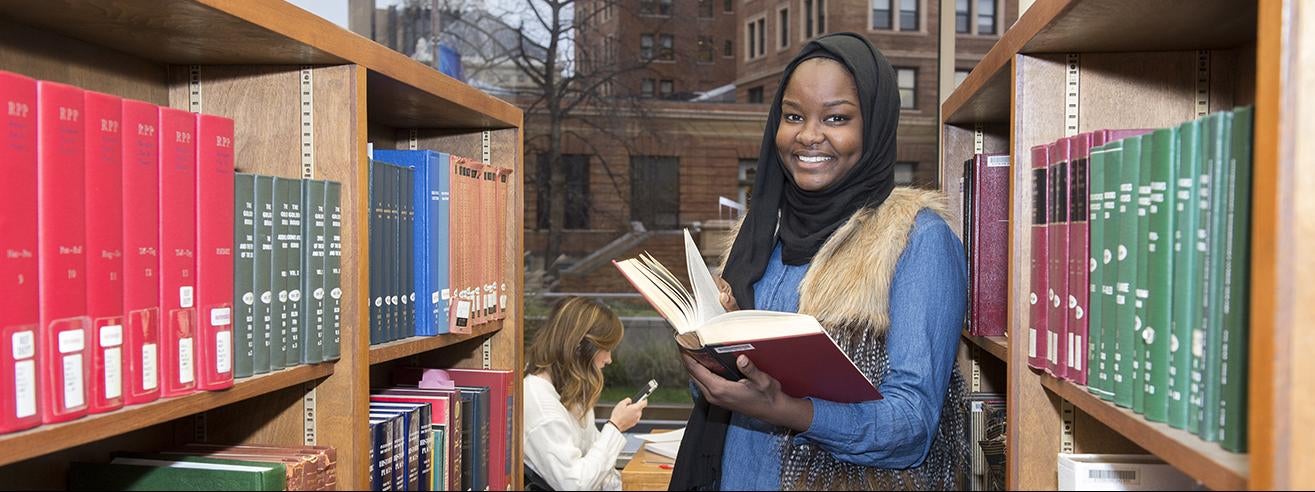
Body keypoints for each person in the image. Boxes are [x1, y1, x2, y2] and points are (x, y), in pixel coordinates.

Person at [669, 32, 969, 491]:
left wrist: (787, 409)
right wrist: (707, 350)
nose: (808, 135)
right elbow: (716, 398)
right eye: (793, 116)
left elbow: (912, 428)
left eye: (836, 117)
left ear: (874, 124)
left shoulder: (917, 237)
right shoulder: (757, 236)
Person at [523, 296, 649, 491]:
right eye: (605, 349)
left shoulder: (572, 393)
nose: (609, 360)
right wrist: (615, 426)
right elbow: (575, 485)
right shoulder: (539, 404)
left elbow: (598, 465)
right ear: (581, 347)